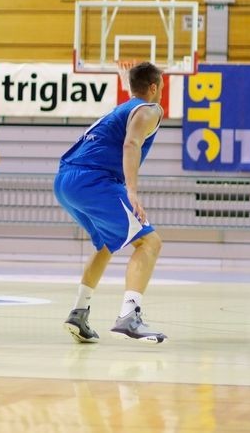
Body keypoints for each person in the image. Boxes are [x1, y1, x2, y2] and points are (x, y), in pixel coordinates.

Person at [55, 61, 167, 344]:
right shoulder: (150, 109)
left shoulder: (125, 108)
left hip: (65, 180)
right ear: (154, 88)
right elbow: (131, 143)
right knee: (150, 243)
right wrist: (132, 191)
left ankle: (79, 312)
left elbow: (133, 108)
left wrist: (125, 78)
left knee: (105, 245)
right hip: (94, 180)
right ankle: (129, 317)